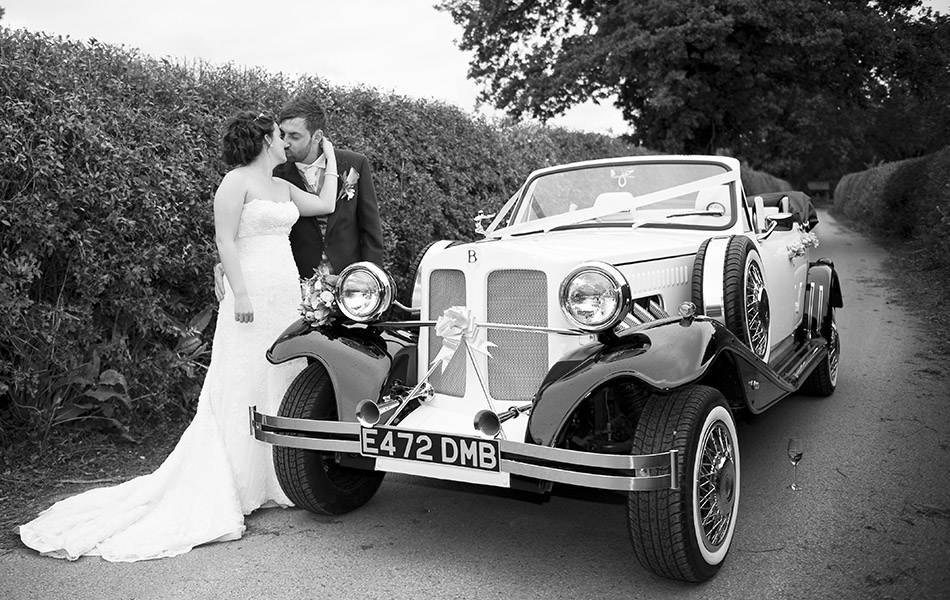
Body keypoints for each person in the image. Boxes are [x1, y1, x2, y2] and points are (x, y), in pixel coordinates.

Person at [17, 111, 338, 562]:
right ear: (266, 140)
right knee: (243, 376)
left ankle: (276, 477)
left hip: (284, 291)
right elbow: (226, 241)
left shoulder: (283, 186)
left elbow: (325, 205)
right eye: (279, 136)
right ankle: (238, 480)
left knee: (280, 376)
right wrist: (239, 293)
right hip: (251, 293)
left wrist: (330, 159)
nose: (285, 141)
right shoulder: (234, 182)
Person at [274, 97, 384, 278]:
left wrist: (369, 277)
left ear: (317, 137)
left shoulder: (354, 164)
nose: (285, 143)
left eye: (294, 136)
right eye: (282, 134)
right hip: (297, 279)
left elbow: (370, 229)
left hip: (350, 280)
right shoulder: (276, 172)